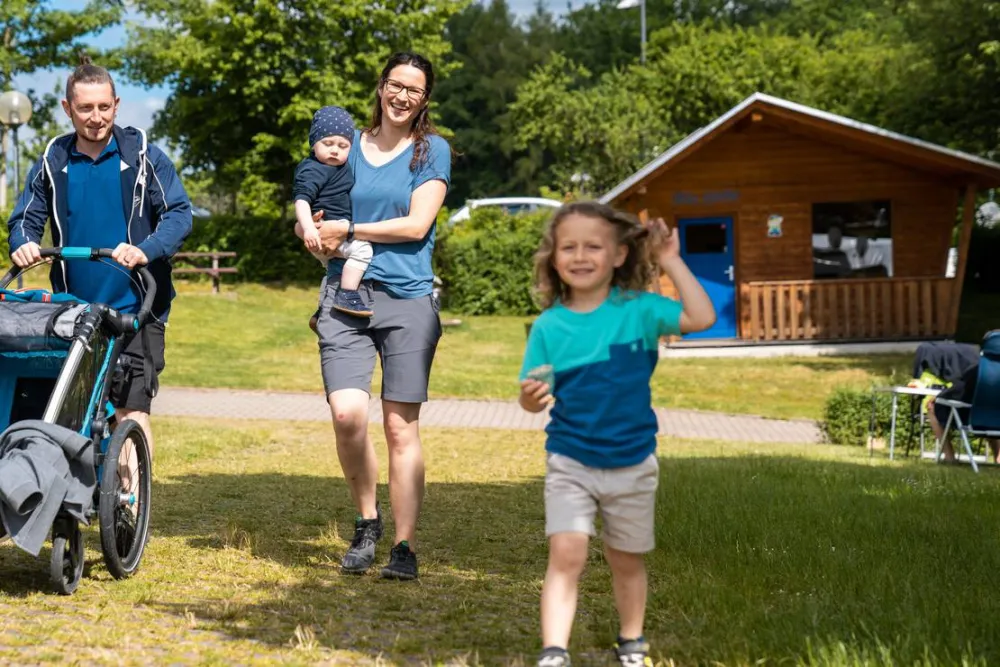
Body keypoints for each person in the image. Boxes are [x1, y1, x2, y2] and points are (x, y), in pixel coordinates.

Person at [517, 201, 716, 667]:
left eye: (594, 246)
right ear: (553, 257)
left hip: (632, 461)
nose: (580, 255)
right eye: (569, 246)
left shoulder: (642, 312)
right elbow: (530, 394)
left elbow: (702, 318)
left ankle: (632, 641)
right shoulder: (549, 325)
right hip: (570, 460)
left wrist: (670, 259)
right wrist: (531, 397)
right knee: (567, 554)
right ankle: (554, 651)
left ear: (619, 256)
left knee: (626, 560)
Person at [296, 52, 451, 580]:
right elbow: (316, 205)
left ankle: (403, 547)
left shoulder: (432, 151)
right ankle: (367, 522)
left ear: (425, 98)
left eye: (415, 89)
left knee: (399, 427)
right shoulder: (346, 147)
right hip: (344, 295)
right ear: (381, 87)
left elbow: (416, 224)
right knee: (347, 415)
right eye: (395, 84)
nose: (403, 96)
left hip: (408, 298)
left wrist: (352, 231)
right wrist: (311, 229)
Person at [6, 59, 192, 473]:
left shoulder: (143, 156)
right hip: (73, 311)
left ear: (117, 104)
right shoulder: (54, 160)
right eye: (86, 108)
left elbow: (179, 215)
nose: (96, 117)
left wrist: (146, 248)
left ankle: (126, 507)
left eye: (104, 107)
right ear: (67, 108)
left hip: (138, 309)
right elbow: (24, 220)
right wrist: (23, 244)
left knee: (131, 410)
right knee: (71, 408)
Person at [294, 105, 374, 323]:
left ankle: (322, 311)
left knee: (332, 268)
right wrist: (309, 228)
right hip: (326, 229)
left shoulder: (340, 167)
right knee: (363, 251)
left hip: (326, 233)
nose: (335, 150)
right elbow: (301, 200)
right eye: (327, 143)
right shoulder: (313, 169)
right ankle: (347, 294)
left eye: (342, 145)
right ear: (314, 143)